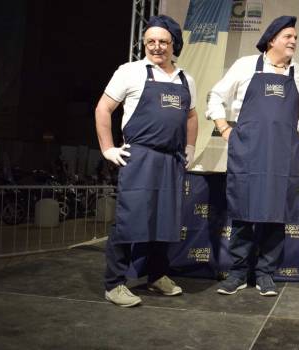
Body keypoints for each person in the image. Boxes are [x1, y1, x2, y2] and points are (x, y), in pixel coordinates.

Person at [207, 16, 299, 297]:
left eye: (295, 38)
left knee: (276, 215)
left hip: (283, 156)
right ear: (271, 40)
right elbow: (216, 97)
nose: (293, 41)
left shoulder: (298, 73)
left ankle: (266, 273)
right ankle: (238, 273)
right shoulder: (245, 66)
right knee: (243, 213)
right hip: (248, 153)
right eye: (288, 36)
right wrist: (224, 129)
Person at [95, 15, 199, 307]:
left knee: (164, 221)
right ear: (144, 44)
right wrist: (107, 149)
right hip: (139, 157)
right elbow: (103, 109)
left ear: (173, 44)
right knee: (130, 221)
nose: (156, 47)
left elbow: (191, 116)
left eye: (163, 42)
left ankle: (156, 276)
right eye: (150, 41)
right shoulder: (129, 71)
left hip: (172, 160)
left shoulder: (185, 78)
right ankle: (114, 284)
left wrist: (190, 147)